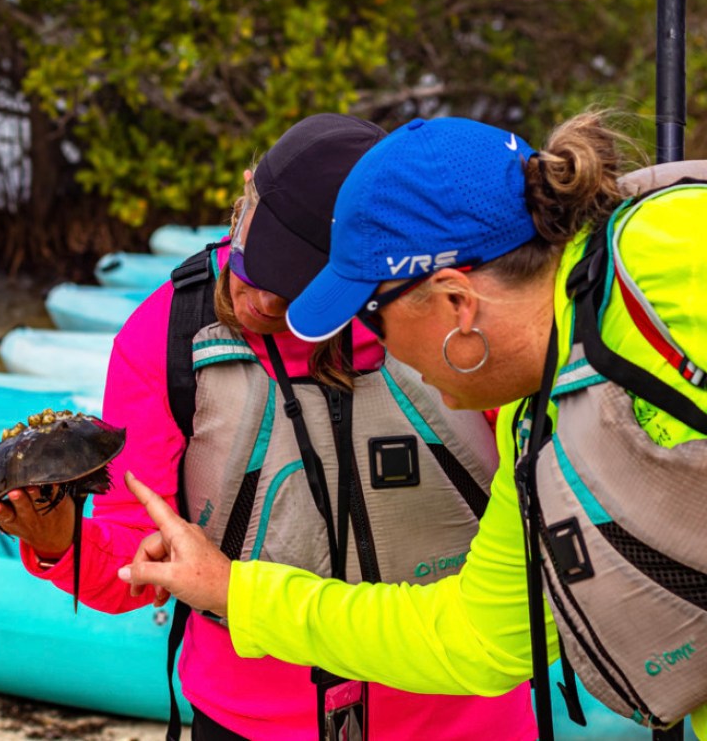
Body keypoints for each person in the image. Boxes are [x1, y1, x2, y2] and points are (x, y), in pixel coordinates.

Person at [117, 111, 707, 737]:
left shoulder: (677, 263)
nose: (368, 343)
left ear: (457, 303)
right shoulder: (534, 419)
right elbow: (480, 636)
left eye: (372, 315)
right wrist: (236, 590)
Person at [0, 114, 536, 740]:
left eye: (298, 286)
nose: (261, 300)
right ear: (245, 199)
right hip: (249, 720)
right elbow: (139, 558)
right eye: (256, 262)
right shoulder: (166, 338)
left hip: (462, 714)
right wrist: (59, 541)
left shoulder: (454, 336)